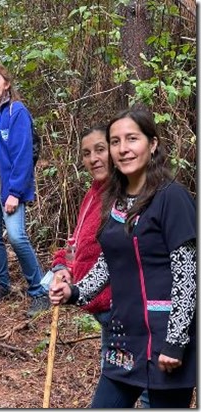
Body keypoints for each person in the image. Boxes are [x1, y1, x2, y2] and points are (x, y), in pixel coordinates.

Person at [49, 108, 196, 408]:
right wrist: (74, 291)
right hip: (123, 338)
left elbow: (187, 275)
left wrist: (176, 342)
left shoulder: (172, 197)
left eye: (132, 139)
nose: (123, 149)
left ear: (152, 144)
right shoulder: (114, 200)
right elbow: (109, 262)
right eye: (115, 141)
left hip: (164, 338)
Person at [50, 125, 150, 407]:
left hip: (122, 309)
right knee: (123, 380)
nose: (93, 158)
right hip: (100, 307)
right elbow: (77, 240)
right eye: (85, 153)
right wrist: (62, 266)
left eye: (100, 149)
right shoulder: (95, 192)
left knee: (142, 385)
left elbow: (119, 255)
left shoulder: (123, 196)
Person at [0, 62, 49, 318]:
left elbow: (23, 155)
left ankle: (39, 291)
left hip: (8, 190)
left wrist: (15, 192)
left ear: (6, 82)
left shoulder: (16, 111)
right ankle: (0, 284)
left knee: (16, 236)